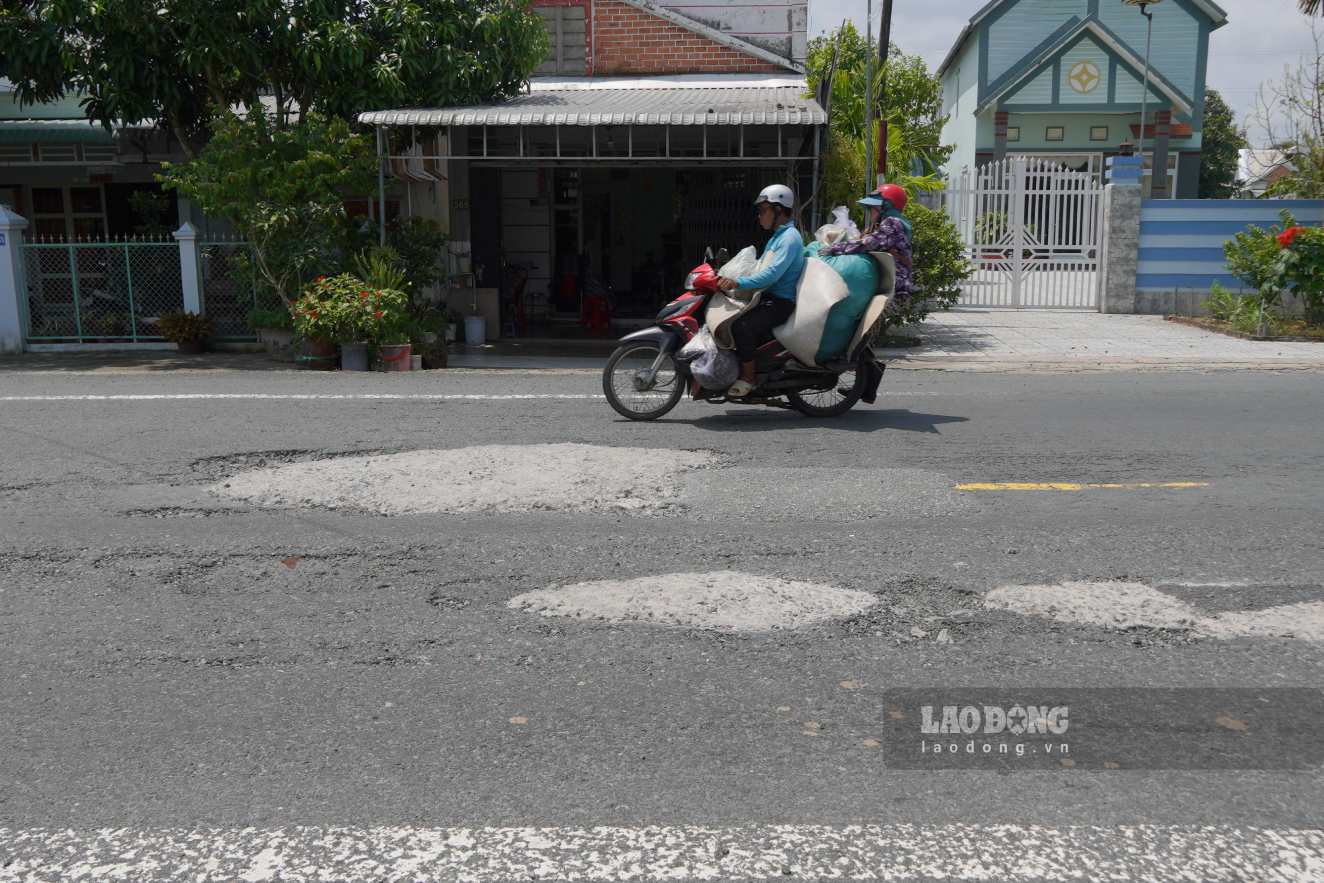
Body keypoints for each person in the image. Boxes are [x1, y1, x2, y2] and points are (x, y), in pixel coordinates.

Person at [716, 184, 807, 398]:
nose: (760, 216)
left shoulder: (790, 239)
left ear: (778, 210)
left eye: (763, 210)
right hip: (767, 296)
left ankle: (749, 378)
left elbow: (771, 274)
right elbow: (761, 266)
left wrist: (738, 282)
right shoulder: (778, 237)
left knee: (741, 326)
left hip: (780, 302)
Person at [821, 183, 914, 298]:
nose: (870, 212)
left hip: (895, 289)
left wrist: (834, 248)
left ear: (886, 206)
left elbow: (869, 244)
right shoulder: (886, 224)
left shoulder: (893, 223)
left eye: (872, 208)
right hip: (887, 286)